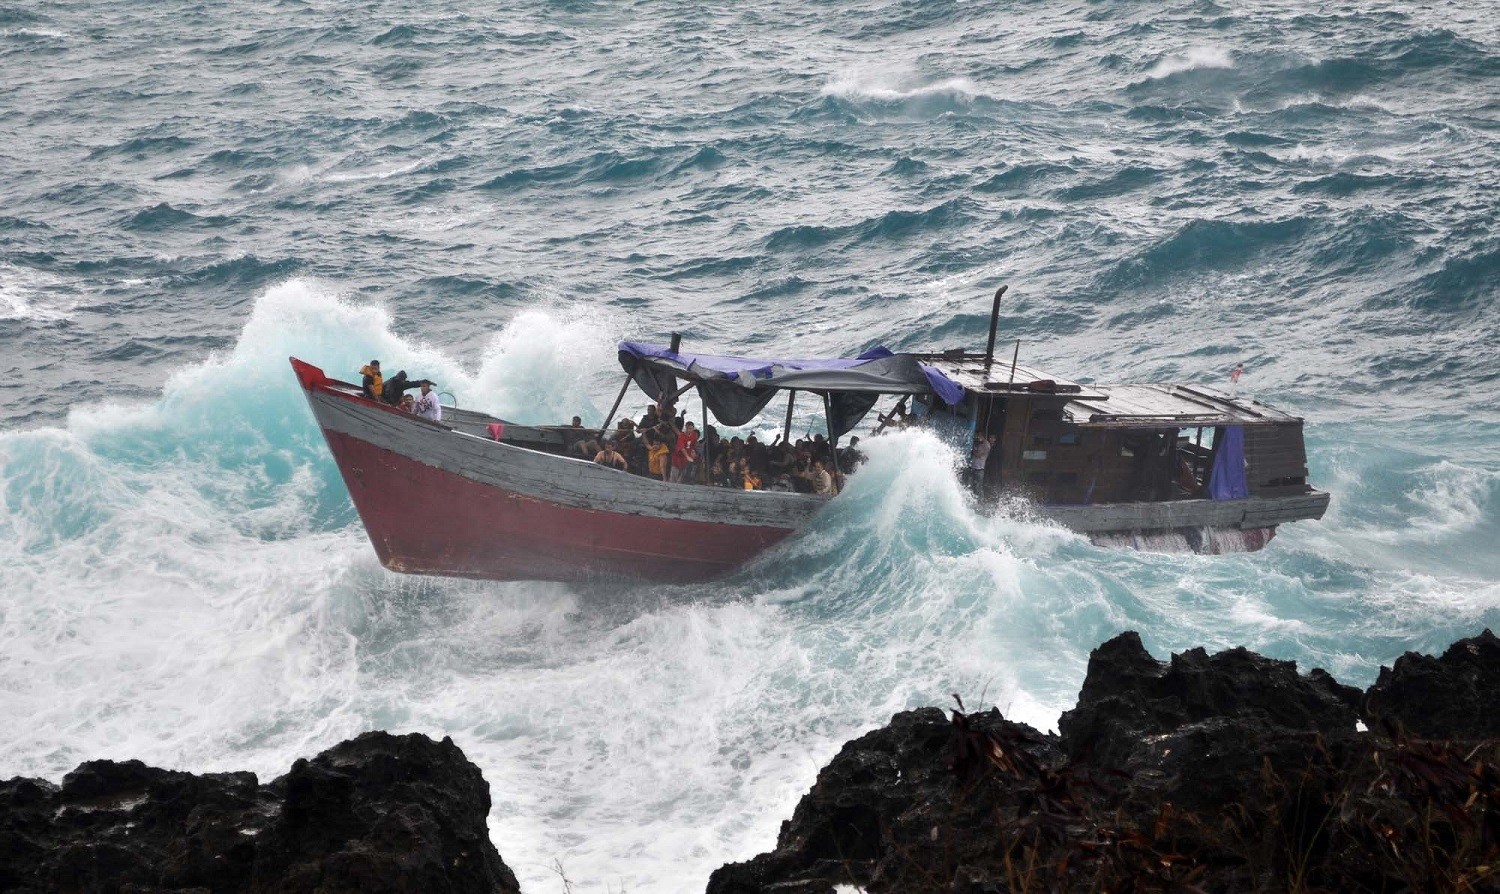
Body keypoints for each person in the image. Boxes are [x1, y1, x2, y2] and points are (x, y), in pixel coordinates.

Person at [966, 435, 994, 499]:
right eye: (977, 436)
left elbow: (978, 454)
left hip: (979, 469)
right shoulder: (977, 443)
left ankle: (981, 501)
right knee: (970, 485)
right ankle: (972, 499)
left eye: (980, 436)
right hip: (972, 467)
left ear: (983, 436)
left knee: (978, 487)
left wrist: (972, 449)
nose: (978, 437)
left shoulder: (986, 445)